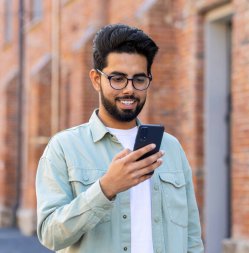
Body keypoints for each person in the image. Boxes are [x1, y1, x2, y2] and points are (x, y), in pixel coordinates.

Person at [36, 23, 204, 253]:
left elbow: (192, 237)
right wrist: (106, 188)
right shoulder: (64, 147)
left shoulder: (170, 147)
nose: (129, 89)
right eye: (117, 78)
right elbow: (50, 235)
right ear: (96, 79)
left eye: (139, 79)